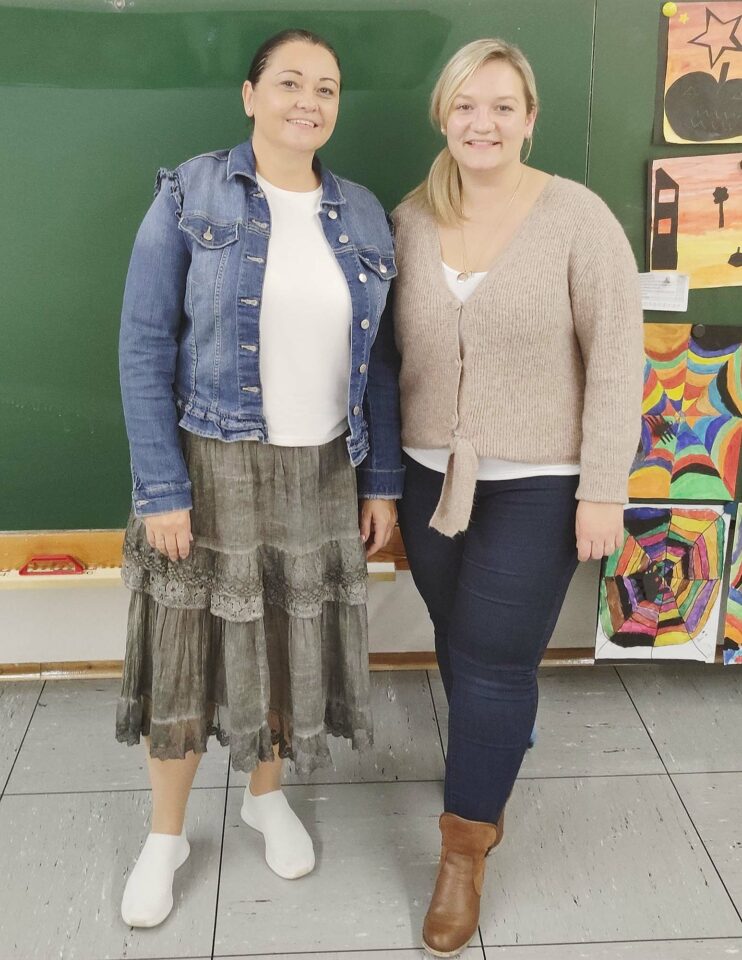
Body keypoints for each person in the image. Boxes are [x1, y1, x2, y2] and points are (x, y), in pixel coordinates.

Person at [116, 28, 402, 928]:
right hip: (212, 462)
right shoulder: (189, 192)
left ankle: (265, 797)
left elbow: (382, 364)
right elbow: (142, 345)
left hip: (324, 467)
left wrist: (382, 481)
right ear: (249, 95)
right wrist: (162, 489)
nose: (308, 101)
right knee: (185, 654)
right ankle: (166, 836)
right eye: (288, 82)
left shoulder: (362, 212)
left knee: (287, 642)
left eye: (326, 88)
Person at [391, 38, 644, 957]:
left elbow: (617, 359)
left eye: (502, 106)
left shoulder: (578, 219)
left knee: (495, 663)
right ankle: (490, 757)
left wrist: (602, 489)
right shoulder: (408, 219)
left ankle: (464, 850)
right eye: (466, 105)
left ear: (530, 118)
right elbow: (379, 357)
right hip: (428, 478)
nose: (483, 123)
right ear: (443, 115)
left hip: (540, 482)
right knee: (460, 639)